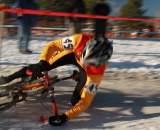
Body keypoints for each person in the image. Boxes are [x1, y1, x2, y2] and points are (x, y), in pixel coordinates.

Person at [0, 8, 113, 126]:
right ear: (86, 47)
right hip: (72, 54)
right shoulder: (79, 39)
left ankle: (80, 76)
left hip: (87, 71)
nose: (85, 63)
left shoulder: (97, 74)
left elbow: (85, 103)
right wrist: (42, 62)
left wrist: (65, 116)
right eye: (85, 59)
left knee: (76, 101)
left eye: (89, 62)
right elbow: (52, 45)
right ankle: (9, 77)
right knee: (40, 67)